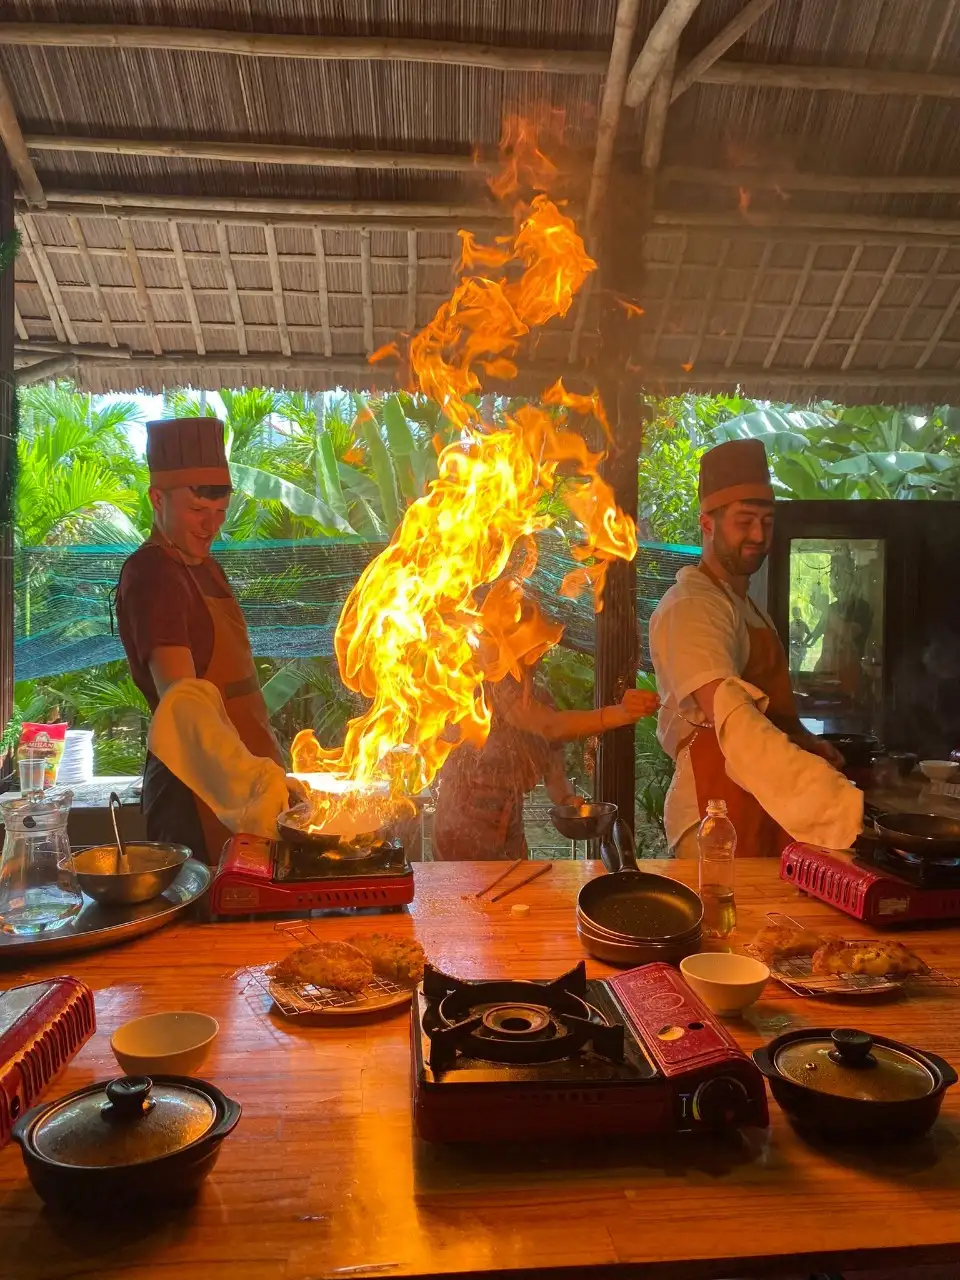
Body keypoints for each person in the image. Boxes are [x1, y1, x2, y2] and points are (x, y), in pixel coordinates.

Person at [648, 439, 862, 858]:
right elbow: (733, 716)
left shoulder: (743, 605)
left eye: (766, 521)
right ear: (707, 523)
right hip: (715, 812)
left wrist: (803, 740)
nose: (759, 535)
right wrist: (831, 800)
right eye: (744, 521)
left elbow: (769, 713)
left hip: (759, 800)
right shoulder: (693, 606)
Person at [116, 417, 296, 864]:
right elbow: (185, 709)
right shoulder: (154, 574)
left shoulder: (203, 565)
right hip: (199, 797)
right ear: (157, 499)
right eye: (198, 512)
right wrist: (252, 783)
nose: (210, 526)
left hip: (242, 789)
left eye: (219, 513)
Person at [432, 650, 658, 861]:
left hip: (510, 831)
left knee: (514, 900)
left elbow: (555, 775)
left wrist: (567, 800)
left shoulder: (542, 699)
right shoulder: (489, 689)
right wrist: (620, 713)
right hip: (461, 829)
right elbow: (550, 726)